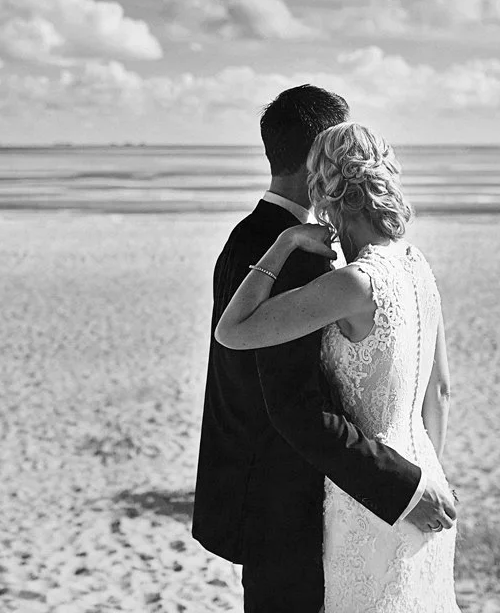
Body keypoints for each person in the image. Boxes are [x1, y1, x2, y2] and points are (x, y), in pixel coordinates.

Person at [192, 86, 457, 612]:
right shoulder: (309, 256)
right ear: (318, 151)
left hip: (314, 494)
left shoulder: (246, 238)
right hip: (290, 503)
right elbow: (292, 402)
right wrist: (412, 479)